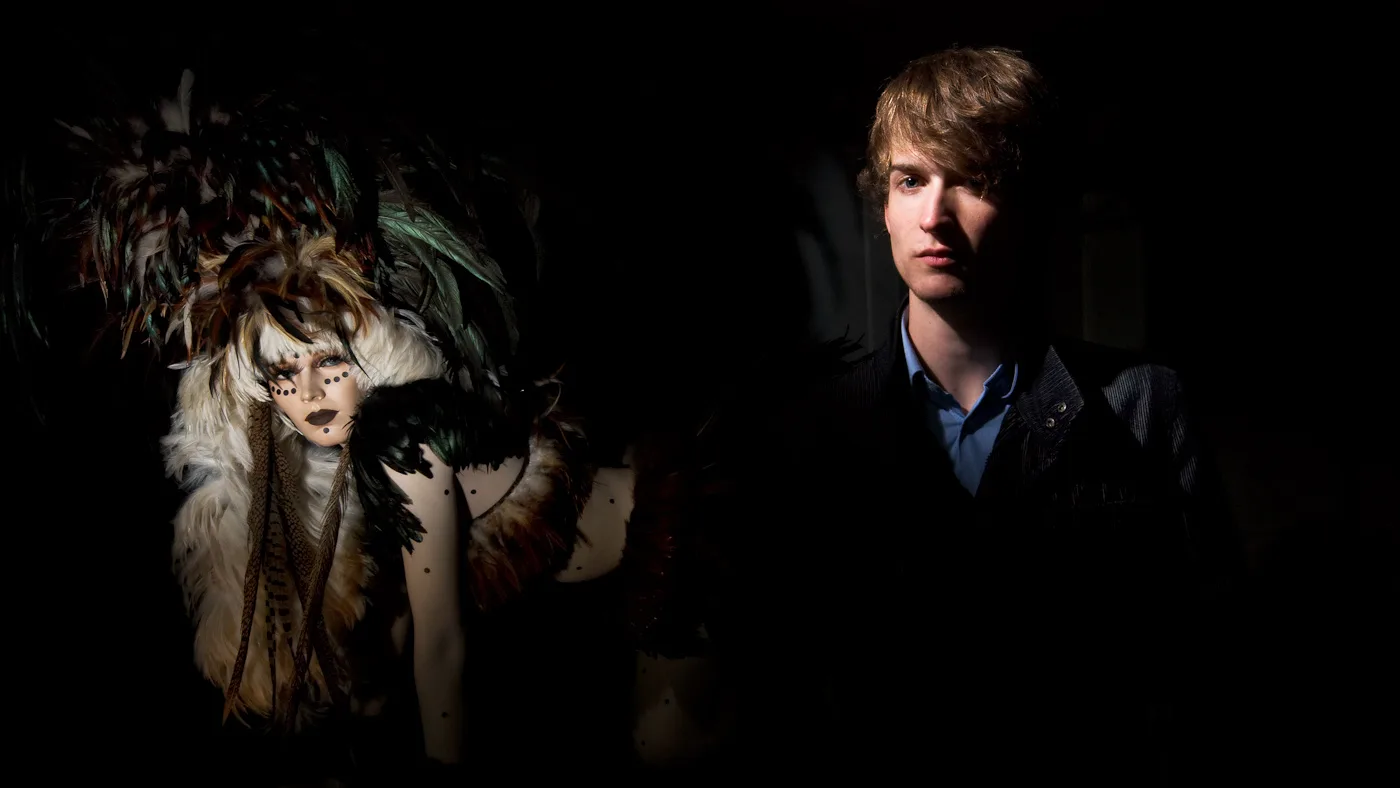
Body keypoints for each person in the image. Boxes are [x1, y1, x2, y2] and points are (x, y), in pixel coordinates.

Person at [30, 68, 599, 785]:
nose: (308, 393)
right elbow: (398, 618)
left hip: (654, 559)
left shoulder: (408, 451)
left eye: (329, 364)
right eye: (281, 375)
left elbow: (442, 643)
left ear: (372, 361)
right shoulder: (329, 466)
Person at [711, 46, 1243, 784]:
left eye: (973, 180)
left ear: (1030, 204)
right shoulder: (810, 429)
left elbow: (1207, 663)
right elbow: (778, 686)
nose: (934, 216)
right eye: (911, 180)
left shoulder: (1143, 404)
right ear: (884, 206)